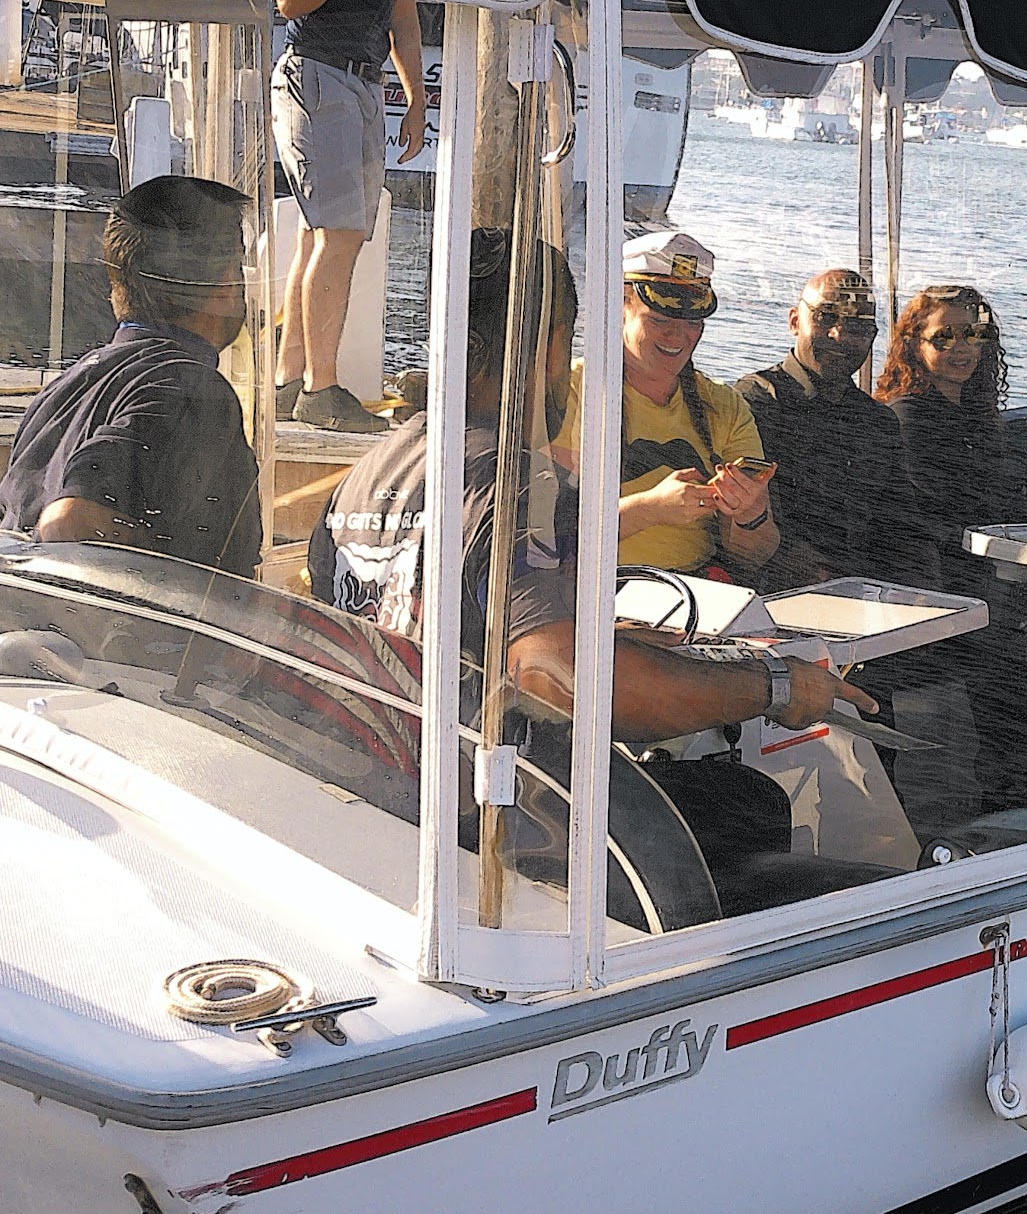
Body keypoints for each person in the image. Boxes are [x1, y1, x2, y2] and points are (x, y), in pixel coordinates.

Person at [311, 231, 874, 903]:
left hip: (404, 788)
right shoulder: (522, 486)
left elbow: (450, 623)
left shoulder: (367, 473)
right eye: (564, 339)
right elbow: (560, 682)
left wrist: (602, 637)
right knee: (753, 806)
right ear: (543, 347)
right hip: (509, 816)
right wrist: (777, 686)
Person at [0, 176, 261, 574]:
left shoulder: (64, 390)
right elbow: (67, 524)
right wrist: (161, 567)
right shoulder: (190, 390)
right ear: (225, 285)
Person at [876, 283, 1027, 812]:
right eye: (944, 337)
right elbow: (936, 516)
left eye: (973, 334)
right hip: (929, 587)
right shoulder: (908, 418)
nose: (962, 348)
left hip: (974, 575)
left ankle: (1014, 794)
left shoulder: (975, 417)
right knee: (1006, 648)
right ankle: (1009, 799)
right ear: (913, 344)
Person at [559, 230, 781, 578]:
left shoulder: (725, 406)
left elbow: (756, 554)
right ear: (618, 308)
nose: (677, 336)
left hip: (696, 591)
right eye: (660, 320)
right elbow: (543, 539)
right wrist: (650, 509)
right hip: (593, 590)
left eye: (692, 322)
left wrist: (749, 514)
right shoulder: (568, 393)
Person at [270, 0, 427, 433]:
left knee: (319, 236)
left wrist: (416, 99)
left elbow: (403, 14)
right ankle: (319, 388)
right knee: (338, 235)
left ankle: (290, 379)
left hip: (365, 82)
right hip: (316, 69)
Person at [735, 267, 934, 588]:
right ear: (794, 321)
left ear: (872, 336)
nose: (840, 335)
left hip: (861, 587)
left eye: (857, 325)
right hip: (775, 587)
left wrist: (921, 589)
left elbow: (902, 526)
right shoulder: (756, 403)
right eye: (825, 317)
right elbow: (742, 518)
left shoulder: (878, 422)